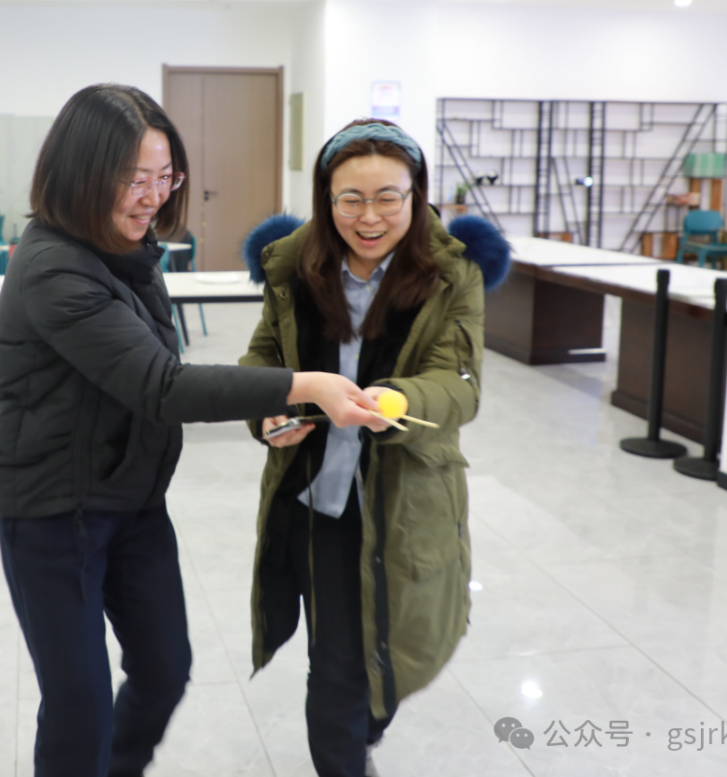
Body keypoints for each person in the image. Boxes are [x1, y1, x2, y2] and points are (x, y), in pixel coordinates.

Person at [0, 84, 381, 777]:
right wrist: (303, 384)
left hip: (131, 496)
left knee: (165, 668)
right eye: (134, 178)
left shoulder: (127, 250)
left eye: (166, 177)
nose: (153, 197)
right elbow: (162, 385)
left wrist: (270, 402)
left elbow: (153, 369)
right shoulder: (52, 268)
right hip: (51, 510)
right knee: (79, 705)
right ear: (81, 172)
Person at [240, 119, 497, 777]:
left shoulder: (451, 275)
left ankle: (364, 727)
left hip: (404, 497)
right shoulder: (294, 268)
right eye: (350, 199)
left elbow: (459, 386)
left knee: (392, 652)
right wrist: (267, 410)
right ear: (327, 198)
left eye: (388, 197)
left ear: (416, 195)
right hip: (318, 499)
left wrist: (397, 400)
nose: (370, 217)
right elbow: (263, 357)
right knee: (336, 668)